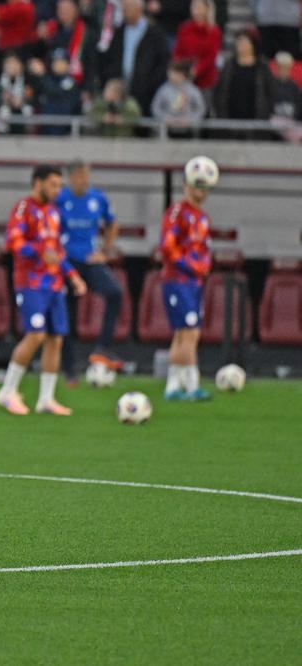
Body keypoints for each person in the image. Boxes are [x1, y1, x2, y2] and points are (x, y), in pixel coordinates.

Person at [0, 165, 87, 416]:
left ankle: (46, 398)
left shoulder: (54, 213)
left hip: (54, 284)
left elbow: (56, 252)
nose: (58, 190)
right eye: (53, 184)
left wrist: (73, 276)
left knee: (55, 338)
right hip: (31, 283)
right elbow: (13, 243)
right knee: (35, 335)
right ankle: (7, 390)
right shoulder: (24, 208)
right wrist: (37, 250)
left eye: (59, 185)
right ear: (38, 183)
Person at [56, 161, 125, 382]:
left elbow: (113, 223)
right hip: (67, 263)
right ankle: (69, 368)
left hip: (90, 259)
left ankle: (103, 347)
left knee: (115, 293)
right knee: (68, 315)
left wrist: (105, 250)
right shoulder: (60, 199)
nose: (84, 180)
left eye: (87, 176)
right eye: (79, 176)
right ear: (70, 177)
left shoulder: (98, 198)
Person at [159, 158, 215, 402]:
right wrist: (191, 267)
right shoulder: (177, 213)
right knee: (189, 332)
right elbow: (167, 247)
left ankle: (173, 386)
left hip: (194, 282)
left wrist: (203, 268)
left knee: (184, 334)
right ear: (186, 186)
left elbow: (204, 249)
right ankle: (191, 385)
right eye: (195, 186)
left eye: (203, 188)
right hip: (177, 279)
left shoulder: (202, 218)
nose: (199, 192)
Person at [99, 0, 170, 117]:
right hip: (119, 94)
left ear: (139, 9)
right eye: (123, 8)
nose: (124, 11)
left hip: (146, 95)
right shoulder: (118, 32)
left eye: (127, 8)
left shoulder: (155, 34)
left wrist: (150, 85)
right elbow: (109, 60)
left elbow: (162, 63)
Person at [213, 29, 278, 136]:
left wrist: (266, 114)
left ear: (253, 44)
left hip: (256, 120)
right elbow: (219, 90)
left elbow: (271, 91)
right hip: (230, 120)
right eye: (238, 41)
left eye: (244, 41)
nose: (240, 44)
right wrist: (220, 113)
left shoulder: (262, 66)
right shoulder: (228, 64)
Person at [173, 0, 222, 102]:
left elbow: (210, 57)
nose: (195, 9)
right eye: (193, 6)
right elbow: (178, 51)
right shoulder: (184, 28)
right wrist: (179, 69)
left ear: (207, 9)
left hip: (205, 81)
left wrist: (196, 70)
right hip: (184, 79)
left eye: (199, 6)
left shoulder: (214, 31)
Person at [151, 60, 207, 136]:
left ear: (182, 74)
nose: (170, 75)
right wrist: (165, 118)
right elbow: (155, 107)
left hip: (188, 130)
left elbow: (200, 109)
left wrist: (190, 120)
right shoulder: (164, 89)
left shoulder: (193, 90)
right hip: (167, 130)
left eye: (173, 73)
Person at [0, 53, 38, 134]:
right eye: (9, 63)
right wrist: (3, 99)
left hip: (23, 120)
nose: (12, 66)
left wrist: (24, 100)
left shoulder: (28, 81)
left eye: (15, 63)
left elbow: (37, 101)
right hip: (3, 126)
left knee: (28, 110)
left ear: (21, 66)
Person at [39, 49, 84, 134]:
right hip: (46, 128)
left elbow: (76, 106)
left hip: (66, 129)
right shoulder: (45, 81)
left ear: (68, 64)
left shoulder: (73, 83)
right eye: (56, 63)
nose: (59, 65)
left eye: (62, 62)